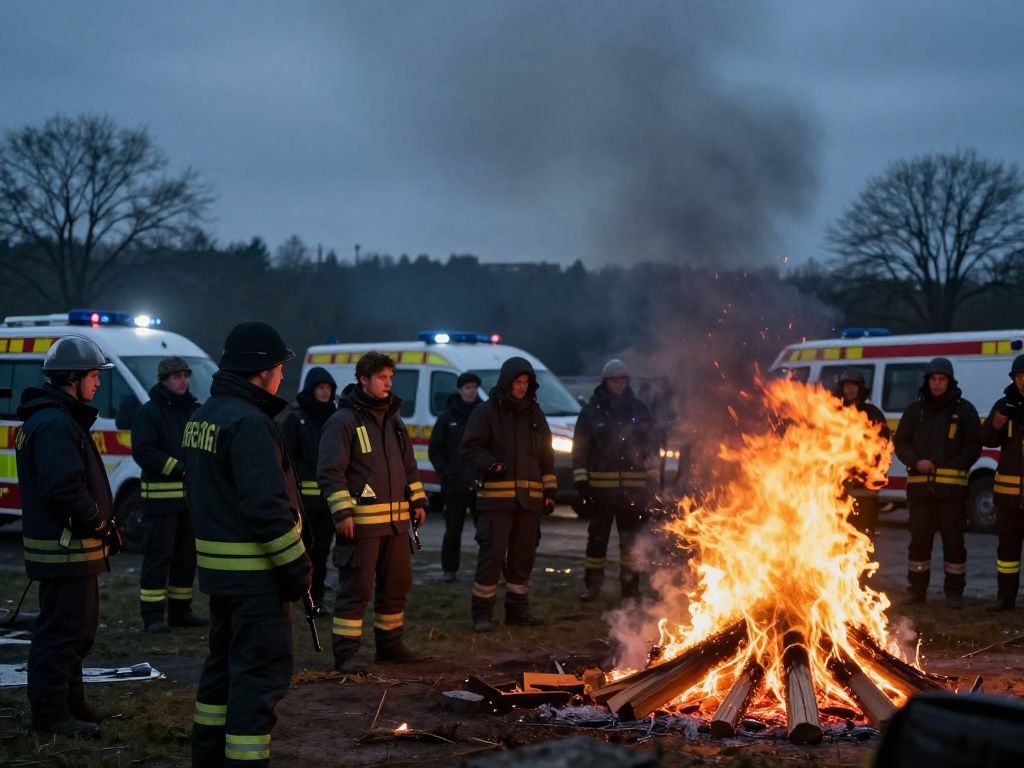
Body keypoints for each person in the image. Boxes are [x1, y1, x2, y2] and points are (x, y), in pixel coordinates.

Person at [186, 322, 312, 768]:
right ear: (262, 370)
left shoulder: (203, 416)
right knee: (256, 681)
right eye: (279, 368)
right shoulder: (249, 423)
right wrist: (297, 568)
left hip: (221, 581)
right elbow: (266, 510)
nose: (282, 378)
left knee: (221, 673)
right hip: (257, 583)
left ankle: (208, 758)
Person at [15, 335, 121, 736]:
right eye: (94, 376)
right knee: (60, 634)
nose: (97, 384)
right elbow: (63, 489)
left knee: (76, 631)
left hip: (72, 551)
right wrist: (98, 522)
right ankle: (50, 714)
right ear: (72, 378)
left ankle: (71, 704)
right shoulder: (55, 423)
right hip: (65, 551)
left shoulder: (54, 418)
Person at [318, 352, 428, 673]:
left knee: (396, 588)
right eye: (382, 378)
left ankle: (390, 648)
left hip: (395, 528)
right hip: (362, 527)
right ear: (363, 380)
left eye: (390, 378)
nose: (388, 384)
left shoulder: (393, 419)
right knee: (356, 591)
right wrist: (342, 513)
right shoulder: (342, 421)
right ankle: (347, 655)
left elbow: (408, 465)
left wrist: (418, 502)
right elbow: (330, 471)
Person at [461, 357, 556, 632]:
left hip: (529, 503)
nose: (522, 388)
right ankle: (482, 615)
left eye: (526, 383)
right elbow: (469, 448)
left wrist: (549, 491)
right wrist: (490, 464)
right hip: (496, 500)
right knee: (492, 556)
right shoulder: (485, 413)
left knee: (522, 556)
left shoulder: (535, 415)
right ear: (506, 383)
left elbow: (546, 457)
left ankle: (517, 611)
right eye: (517, 382)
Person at [893, 357, 981, 609]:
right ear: (927, 381)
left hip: (952, 493)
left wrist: (954, 464)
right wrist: (915, 461)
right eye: (933, 379)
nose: (937, 384)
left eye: (942, 379)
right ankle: (916, 590)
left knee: (954, 543)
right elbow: (901, 442)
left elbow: (974, 445)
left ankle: (954, 593)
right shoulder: (914, 411)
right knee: (919, 543)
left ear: (949, 381)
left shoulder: (964, 411)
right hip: (921, 492)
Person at [572, 359, 659, 603]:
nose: (619, 384)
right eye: (614, 380)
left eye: (622, 379)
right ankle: (593, 587)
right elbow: (580, 450)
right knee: (597, 541)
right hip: (600, 490)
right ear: (605, 382)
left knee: (631, 543)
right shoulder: (591, 411)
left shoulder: (639, 410)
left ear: (627, 381)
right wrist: (581, 482)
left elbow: (652, 447)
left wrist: (653, 479)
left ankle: (630, 589)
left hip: (633, 490)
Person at [132, 356, 205, 633]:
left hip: (189, 502)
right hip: (160, 502)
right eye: (176, 376)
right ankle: (152, 616)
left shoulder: (194, 412)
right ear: (163, 380)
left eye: (185, 375)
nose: (183, 381)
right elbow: (143, 451)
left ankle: (180, 612)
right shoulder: (149, 413)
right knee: (158, 557)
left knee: (186, 558)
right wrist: (179, 469)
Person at [282, 366, 338, 612]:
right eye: (321, 387)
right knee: (301, 552)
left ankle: (317, 599)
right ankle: (300, 596)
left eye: (328, 388)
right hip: (303, 502)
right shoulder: (296, 419)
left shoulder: (336, 418)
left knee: (322, 552)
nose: (325, 392)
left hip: (328, 502)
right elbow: (286, 457)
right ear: (311, 389)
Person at [428, 372, 482, 582]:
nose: (472, 391)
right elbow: (435, 450)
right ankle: (449, 570)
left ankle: (487, 570)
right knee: (452, 532)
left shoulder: (483, 416)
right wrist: (445, 473)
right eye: (468, 388)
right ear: (460, 390)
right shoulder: (446, 419)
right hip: (455, 486)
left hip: (480, 485)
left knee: (485, 533)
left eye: (474, 388)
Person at [980, 354, 1024, 611]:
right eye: (1020, 377)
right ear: (1014, 379)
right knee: (1007, 552)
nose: (1023, 382)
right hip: (1007, 497)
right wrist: (995, 426)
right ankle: (1004, 599)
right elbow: (985, 438)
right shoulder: (1003, 405)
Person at [833, 368, 891, 539]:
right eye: (847, 385)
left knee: (862, 540)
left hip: (865, 491)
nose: (850, 389)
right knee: (836, 541)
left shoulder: (873, 414)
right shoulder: (831, 414)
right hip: (837, 491)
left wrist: (867, 468)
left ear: (861, 388)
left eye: (854, 385)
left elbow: (884, 447)